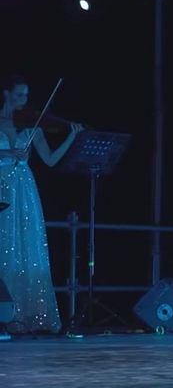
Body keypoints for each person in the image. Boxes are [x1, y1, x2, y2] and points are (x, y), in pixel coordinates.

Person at [0, 75, 84, 334]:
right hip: (2, 184)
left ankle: (24, 314)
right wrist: (6, 153)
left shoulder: (31, 126)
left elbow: (50, 160)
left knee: (26, 248)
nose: (24, 100)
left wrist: (71, 137)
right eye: (19, 94)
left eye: (26, 95)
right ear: (6, 94)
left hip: (24, 189)